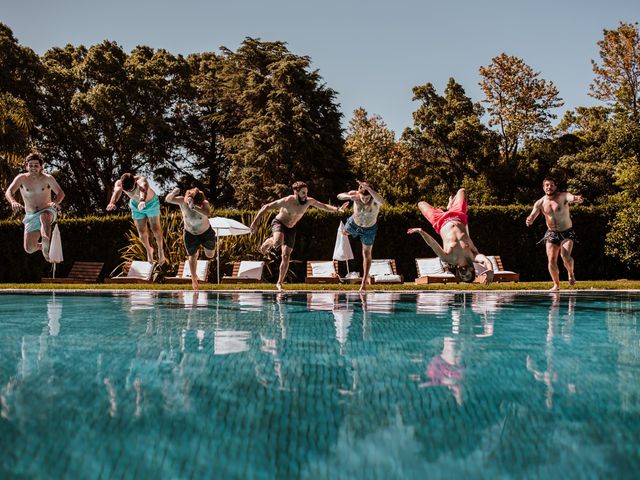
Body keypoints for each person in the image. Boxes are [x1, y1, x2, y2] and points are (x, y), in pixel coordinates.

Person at [249, 181, 347, 291]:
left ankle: (279, 283)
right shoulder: (287, 200)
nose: (305, 195)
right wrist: (255, 222)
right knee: (277, 241)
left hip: (291, 228)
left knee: (286, 256)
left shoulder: (308, 201)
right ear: (296, 192)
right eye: (303, 193)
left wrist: (337, 209)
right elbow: (266, 207)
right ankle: (268, 241)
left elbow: (323, 206)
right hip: (279, 223)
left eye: (306, 193)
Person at [407, 188, 494, 284]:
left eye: (462, 276)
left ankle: (449, 208)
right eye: (467, 275)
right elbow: (486, 260)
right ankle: (450, 207)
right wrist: (490, 271)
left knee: (421, 203)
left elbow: (433, 244)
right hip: (458, 216)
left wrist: (421, 232)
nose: (464, 274)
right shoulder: (473, 256)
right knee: (462, 191)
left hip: (439, 221)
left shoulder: (447, 258)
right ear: (472, 270)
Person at [526, 176, 584, 291]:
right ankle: (556, 285)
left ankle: (571, 273)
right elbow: (533, 214)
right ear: (543, 188)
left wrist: (576, 198)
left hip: (566, 232)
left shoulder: (562, 196)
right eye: (547, 185)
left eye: (552, 185)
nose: (549, 187)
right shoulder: (540, 202)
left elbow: (571, 197)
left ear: (555, 187)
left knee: (565, 256)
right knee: (551, 260)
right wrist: (529, 219)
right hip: (552, 233)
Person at [5, 152, 65, 261]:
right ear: (27, 166)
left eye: (36, 165)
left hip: (47, 210)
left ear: (41, 167)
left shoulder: (48, 178)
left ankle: (46, 238)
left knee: (44, 216)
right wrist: (13, 201)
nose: (33, 168)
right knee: (29, 248)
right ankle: (42, 246)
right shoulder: (21, 178)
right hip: (31, 215)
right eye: (31, 165)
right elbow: (9, 192)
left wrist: (55, 202)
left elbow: (61, 192)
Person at [106, 172, 166, 265]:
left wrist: (142, 200)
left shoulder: (141, 180)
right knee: (141, 232)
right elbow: (117, 192)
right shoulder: (119, 183)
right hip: (135, 205)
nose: (129, 192)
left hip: (151, 203)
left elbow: (143, 190)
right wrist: (112, 202)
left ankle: (160, 251)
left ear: (134, 182)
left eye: (131, 189)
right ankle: (149, 250)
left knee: (156, 229)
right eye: (127, 190)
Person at [337, 180, 385, 291]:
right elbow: (339, 196)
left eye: (367, 198)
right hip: (353, 224)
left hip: (369, 230)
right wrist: (350, 196)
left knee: (367, 253)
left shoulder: (375, 201)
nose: (365, 200)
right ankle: (347, 232)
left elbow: (382, 201)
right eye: (363, 198)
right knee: (344, 232)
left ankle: (363, 283)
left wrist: (369, 190)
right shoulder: (356, 196)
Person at [166, 187, 215, 290]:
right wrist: (173, 192)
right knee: (192, 256)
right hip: (190, 234)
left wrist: (194, 207)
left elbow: (207, 213)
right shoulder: (181, 200)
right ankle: (194, 278)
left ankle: (201, 251)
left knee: (210, 255)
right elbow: (168, 199)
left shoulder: (204, 203)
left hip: (206, 233)